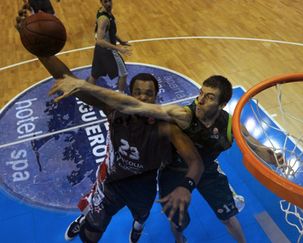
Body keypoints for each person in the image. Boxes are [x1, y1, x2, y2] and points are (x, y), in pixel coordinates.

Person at [16, 11, 204, 243]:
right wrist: (42, 54)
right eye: (138, 92)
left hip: (143, 185)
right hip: (111, 180)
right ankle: (86, 220)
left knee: (141, 216)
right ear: (130, 95)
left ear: (156, 98)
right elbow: (70, 80)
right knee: (92, 234)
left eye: (149, 94)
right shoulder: (115, 110)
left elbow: (195, 161)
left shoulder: (167, 126)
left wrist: (186, 187)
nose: (143, 97)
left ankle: (137, 226)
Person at [49, 75, 283, 243]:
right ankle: (180, 239)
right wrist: (82, 85)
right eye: (201, 93)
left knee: (229, 217)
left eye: (209, 97)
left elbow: (256, 147)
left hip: (208, 170)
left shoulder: (231, 124)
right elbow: (131, 104)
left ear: (221, 104)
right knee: (177, 221)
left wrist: (275, 159)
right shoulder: (182, 114)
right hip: (173, 171)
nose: (200, 100)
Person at [89, 0, 131, 92]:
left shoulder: (104, 12)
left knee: (95, 74)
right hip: (108, 50)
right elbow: (100, 40)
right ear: (101, 2)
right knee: (123, 73)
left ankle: (88, 94)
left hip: (99, 50)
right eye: (105, 2)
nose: (108, 4)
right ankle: (121, 96)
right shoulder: (104, 19)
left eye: (109, 1)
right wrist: (118, 48)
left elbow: (110, 31)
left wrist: (120, 41)